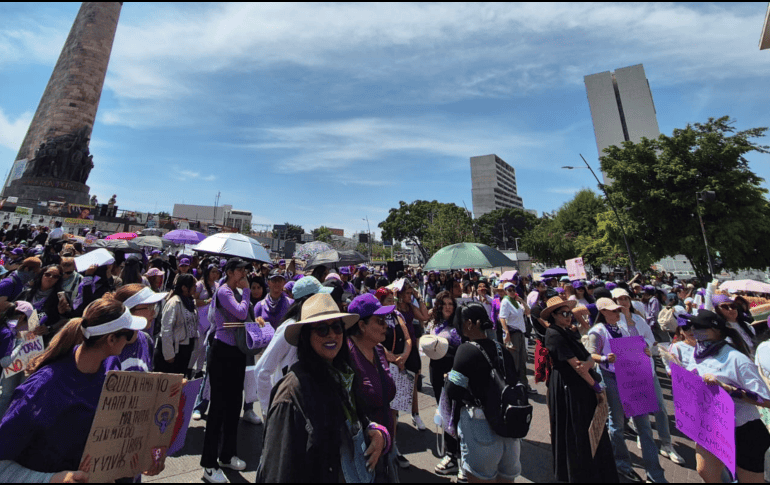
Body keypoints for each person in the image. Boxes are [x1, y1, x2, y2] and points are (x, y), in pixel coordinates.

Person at [0, 298, 164, 481]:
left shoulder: (111, 364)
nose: (135, 337)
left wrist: (141, 460)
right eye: (129, 334)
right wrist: (51, 479)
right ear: (111, 339)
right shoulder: (41, 390)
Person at [257, 293, 389, 482]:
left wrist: (375, 430)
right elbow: (278, 471)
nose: (332, 335)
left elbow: (352, 422)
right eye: (322, 329)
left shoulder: (343, 374)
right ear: (306, 336)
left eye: (337, 327)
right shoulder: (291, 393)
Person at [587, 298, 667, 483]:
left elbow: (637, 347)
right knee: (617, 423)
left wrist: (644, 351)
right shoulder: (597, 331)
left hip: (632, 377)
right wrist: (605, 358)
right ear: (603, 312)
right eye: (613, 311)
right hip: (611, 378)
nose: (617, 313)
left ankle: (655, 473)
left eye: (618, 311)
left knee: (644, 425)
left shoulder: (623, 328)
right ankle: (622, 463)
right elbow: (591, 354)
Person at [685, 310, 770, 483]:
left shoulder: (737, 359)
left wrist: (728, 389)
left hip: (744, 430)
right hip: (712, 425)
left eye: (700, 327)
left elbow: (766, 399)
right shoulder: (696, 353)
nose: (693, 330)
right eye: (693, 326)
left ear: (717, 331)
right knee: (705, 471)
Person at [541, 296, 618, 482]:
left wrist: (589, 365)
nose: (569, 317)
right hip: (568, 386)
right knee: (575, 430)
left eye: (570, 313)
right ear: (554, 315)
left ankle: (595, 472)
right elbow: (577, 366)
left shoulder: (568, 331)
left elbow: (589, 358)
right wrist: (597, 387)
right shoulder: (553, 334)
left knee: (588, 429)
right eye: (564, 313)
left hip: (580, 383)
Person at [445, 301, 522, 483]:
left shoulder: (466, 350)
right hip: (509, 426)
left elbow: (453, 391)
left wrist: (449, 378)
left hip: (480, 426)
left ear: (470, 323)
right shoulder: (502, 349)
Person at [612, 288, 684, 465]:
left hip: (647, 368)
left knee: (660, 406)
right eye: (618, 299)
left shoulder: (638, 319)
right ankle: (641, 435)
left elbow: (650, 339)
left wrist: (646, 346)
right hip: (628, 371)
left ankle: (667, 444)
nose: (623, 302)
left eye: (625, 298)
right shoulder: (612, 322)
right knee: (637, 406)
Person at [253, 276, 332, 420]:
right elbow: (261, 371)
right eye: (319, 297)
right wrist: (269, 411)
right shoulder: (289, 328)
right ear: (307, 301)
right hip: (289, 408)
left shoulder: (313, 326)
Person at [200, 258, 250, 483]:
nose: (244, 274)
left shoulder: (234, 291)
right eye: (240, 270)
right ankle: (209, 464)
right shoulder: (224, 291)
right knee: (219, 407)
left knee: (233, 406)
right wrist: (247, 292)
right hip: (222, 352)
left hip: (236, 351)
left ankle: (227, 455)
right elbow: (240, 314)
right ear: (229, 272)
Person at [347, 293, 398, 482]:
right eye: (379, 320)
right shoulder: (347, 357)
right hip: (361, 454)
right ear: (361, 325)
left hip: (385, 450)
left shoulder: (378, 350)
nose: (385, 325)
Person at [428, 291, 463, 478]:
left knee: (455, 414)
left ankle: (457, 455)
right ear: (439, 306)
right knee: (444, 412)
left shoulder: (459, 325)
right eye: (445, 303)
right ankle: (451, 455)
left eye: (451, 303)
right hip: (435, 372)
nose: (448, 306)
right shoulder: (434, 324)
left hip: (452, 373)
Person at [395, 278, 429, 430]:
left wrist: (418, 297)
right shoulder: (393, 307)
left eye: (411, 293)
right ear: (400, 294)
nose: (410, 295)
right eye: (408, 293)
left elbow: (424, 316)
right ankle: (394, 415)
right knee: (395, 381)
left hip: (412, 346)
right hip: (398, 346)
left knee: (414, 381)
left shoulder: (410, 307)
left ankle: (415, 413)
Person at [113, 284, 167, 372]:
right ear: (129, 311)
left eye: (154, 306)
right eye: (149, 307)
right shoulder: (110, 346)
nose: (154, 312)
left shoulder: (147, 340)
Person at [16, 264, 72, 345]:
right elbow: (12, 310)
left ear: (58, 280)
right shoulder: (27, 293)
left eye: (55, 276)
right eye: (47, 274)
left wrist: (49, 328)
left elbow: (66, 320)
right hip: (20, 336)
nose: (50, 278)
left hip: (42, 342)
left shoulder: (60, 298)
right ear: (42, 275)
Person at [155, 274, 198, 376]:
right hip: (174, 350)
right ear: (184, 287)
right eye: (193, 285)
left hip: (185, 349)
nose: (196, 287)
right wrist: (169, 354)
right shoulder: (174, 303)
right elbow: (166, 329)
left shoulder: (190, 302)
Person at [0, 302, 36, 417]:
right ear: (22, 317)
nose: (28, 327)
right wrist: (20, 343)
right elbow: (5, 362)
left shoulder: (3, 325)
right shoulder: (8, 333)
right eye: (29, 322)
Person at [499, 282, 534, 394]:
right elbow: (502, 318)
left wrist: (521, 300)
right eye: (509, 290)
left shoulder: (516, 303)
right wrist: (507, 332)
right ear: (505, 291)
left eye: (513, 289)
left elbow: (528, 311)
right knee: (514, 362)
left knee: (522, 360)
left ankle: (524, 385)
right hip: (513, 333)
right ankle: (514, 387)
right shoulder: (505, 301)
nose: (512, 291)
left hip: (520, 333)